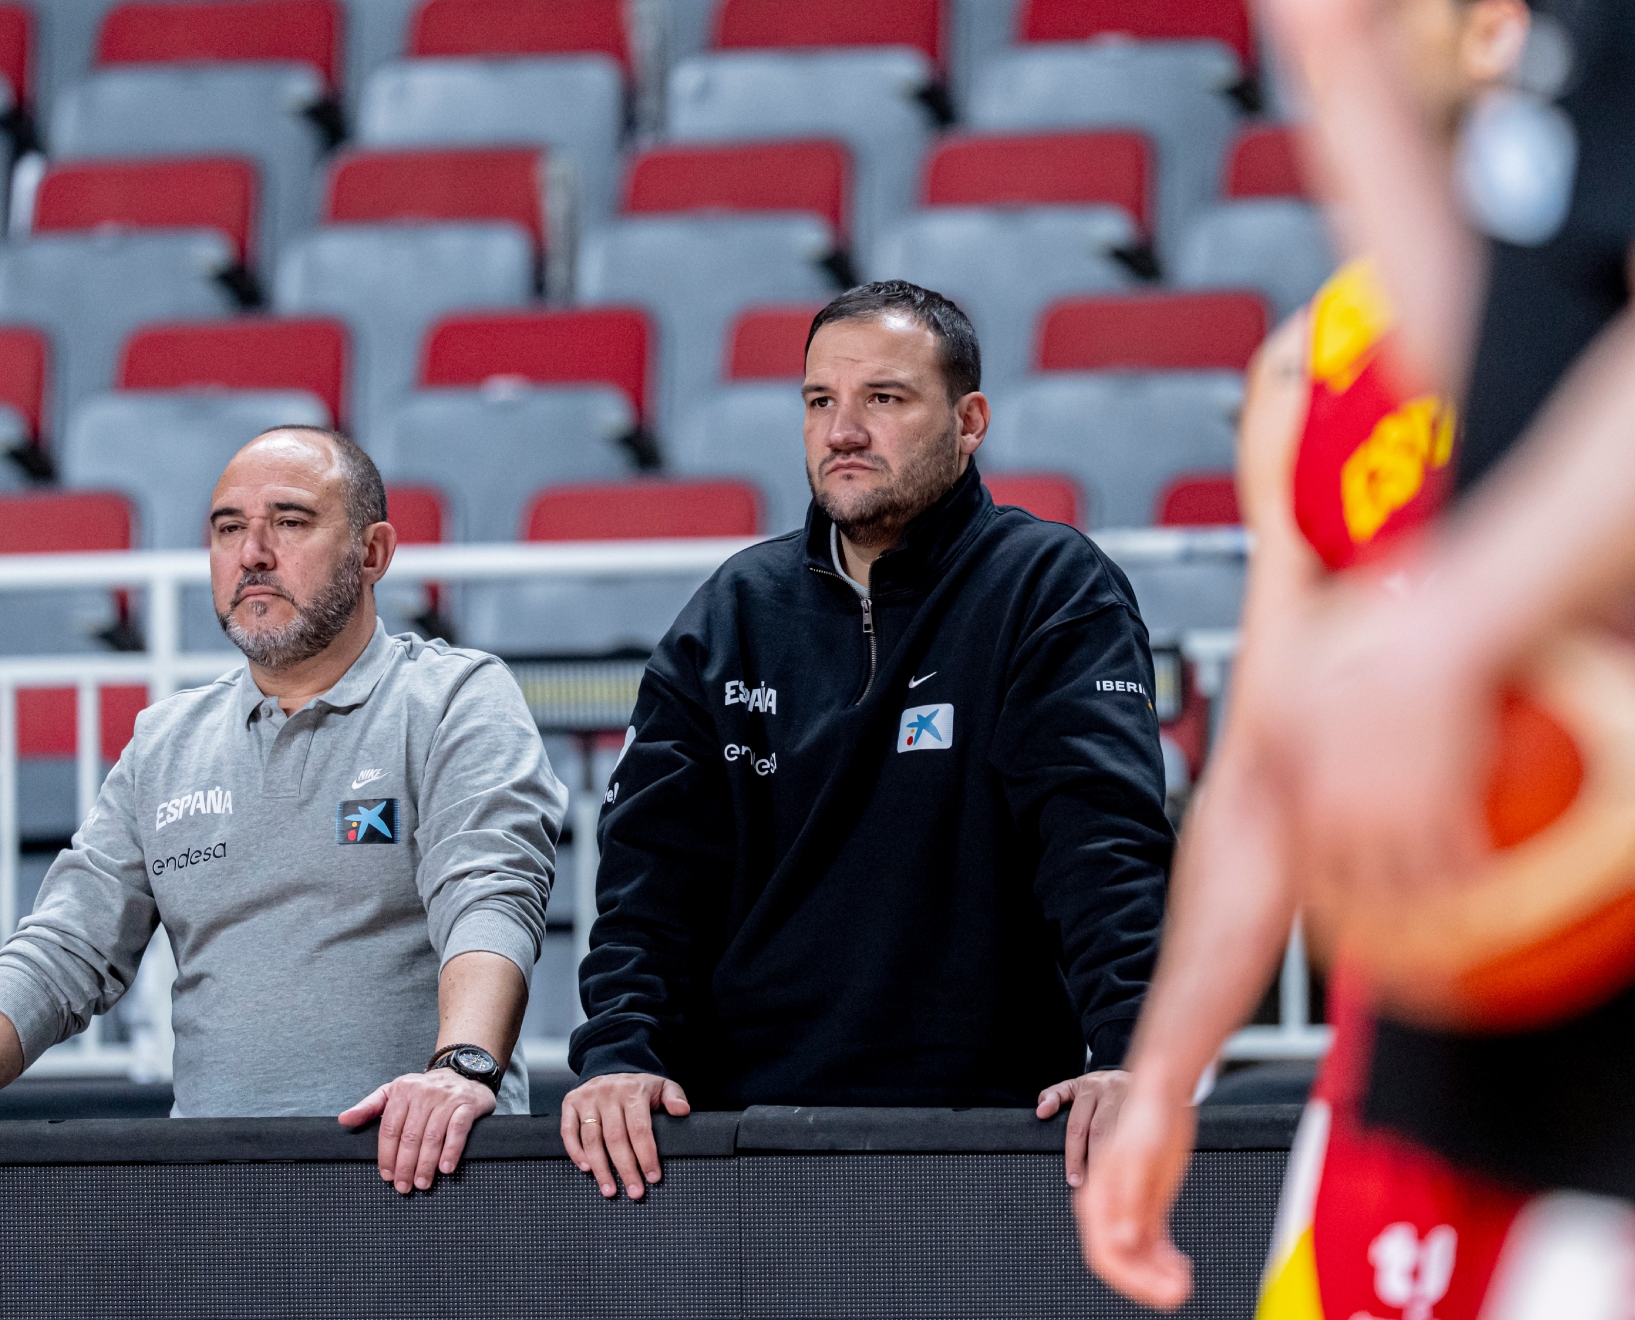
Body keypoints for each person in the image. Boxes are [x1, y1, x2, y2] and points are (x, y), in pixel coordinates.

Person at [1078, 0, 1635, 1312]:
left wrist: (1457, 615)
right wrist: (1166, 1072)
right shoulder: (1314, 375)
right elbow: (1266, 759)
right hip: (1438, 1041)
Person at [0, 427, 567, 1196]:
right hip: (215, 1200)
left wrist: (463, 1068)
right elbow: (64, 949)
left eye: (291, 522)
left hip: (428, 1174)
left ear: (373, 554)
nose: (253, 552)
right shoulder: (166, 740)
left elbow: (490, 893)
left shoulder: (454, 699)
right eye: (229, 528)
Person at [561, 280, 1173, 1201]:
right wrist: (617, 1055)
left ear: (969, 422)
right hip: (736, 1139)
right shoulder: (731, 611)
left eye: (883, 398)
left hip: (995, 1134)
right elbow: (650, 875)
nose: (842, 430)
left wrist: (1136, 1056)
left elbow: (1103, 848)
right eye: (820, 402)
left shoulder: (1050, 587)